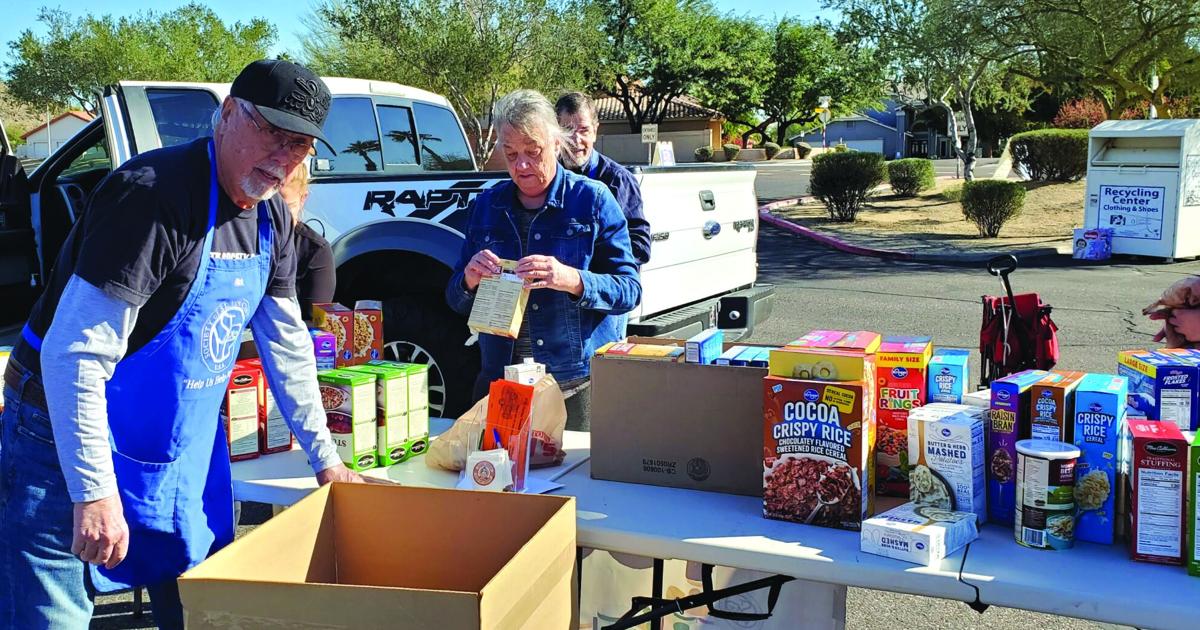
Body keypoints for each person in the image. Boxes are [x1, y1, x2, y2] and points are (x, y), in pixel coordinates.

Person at [0, 59, 363, 629]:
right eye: (272, 132)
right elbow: (74, 355)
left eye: (300, 145)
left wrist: (326, 459)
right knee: (53, 616)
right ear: (226, 116)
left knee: (201, 603)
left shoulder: (272, 218)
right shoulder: (154, 198)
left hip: (170, 441)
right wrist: (92, 492)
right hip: (60, 432)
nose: (284, 156)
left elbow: (287, 344)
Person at [446, 89, 641, 430]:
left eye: (532, 152)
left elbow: (629, 289)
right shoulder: (487, 205)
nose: (521, 166)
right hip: (502, 382)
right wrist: (469, 280)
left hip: (572, 384)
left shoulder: (592, 200)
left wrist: (572, 279)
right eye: (510, 154)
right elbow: (454, 297)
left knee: (573, 482)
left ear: (555, 143)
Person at [554, 92, 651, 267]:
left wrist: (589, 273)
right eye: (568, 130)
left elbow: (640, 246)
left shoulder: (618, 180)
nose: (576, 140)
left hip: (601, 290)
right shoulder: (547, 177)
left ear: (595, 131)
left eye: (584, 130)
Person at [279, 159, 336, 321]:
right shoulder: (244, 235)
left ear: (303, 198)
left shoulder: (315, 250)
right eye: (268, 207)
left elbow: (317, 323)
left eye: (286, 208)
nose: (276, 217)